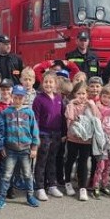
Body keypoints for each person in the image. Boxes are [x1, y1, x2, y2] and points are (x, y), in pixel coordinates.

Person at [0, 85, 41, 209]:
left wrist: (34, 147)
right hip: (10, 150)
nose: (18, 100)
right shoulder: (5, 113)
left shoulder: (29, 112)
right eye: (15, 97)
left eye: (20, 97)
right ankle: (1, 198)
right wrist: (2, 147)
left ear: (24, 98)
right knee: (6, 175)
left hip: (26, 150)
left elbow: (35, 130)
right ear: (12, 97)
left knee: (27, 174)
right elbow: (1, 131)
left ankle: (30, 196)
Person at [64, 81, 100, 201]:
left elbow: (97, 117)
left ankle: (82, 187)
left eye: (83, 93)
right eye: (79, 93)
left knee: (83, 163)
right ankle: (67, 182)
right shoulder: (72, 105)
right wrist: (71, 103)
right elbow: (69, 117)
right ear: (74, 94)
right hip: (73, 138)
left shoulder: (90, 104)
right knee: (70, 159)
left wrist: (92, 105)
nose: (81, 96)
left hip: (86, 139)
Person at [32, 71, 66, 201]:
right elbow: (36, 119)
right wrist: (36, 136)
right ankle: (39, 187)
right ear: (42, 83)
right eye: (46, 82)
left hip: (56, 134)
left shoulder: (59, 98)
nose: (48, 84)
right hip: (43, 134)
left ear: (55, 84)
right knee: (41, 161)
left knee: (52, 160)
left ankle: (52, 185)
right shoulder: (39, 99)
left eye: (51, 82)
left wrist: (63, 133)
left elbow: (62, 116)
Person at [90, 85, 110, 197]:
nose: (106, 99)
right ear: (100, 96)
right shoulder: (99, 108)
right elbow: (104, 113)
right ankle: (96, 186)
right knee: (101, 165)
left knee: (109, 165)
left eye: (109, 97)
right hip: (101, 140)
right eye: (104, 96)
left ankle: (104, 185)